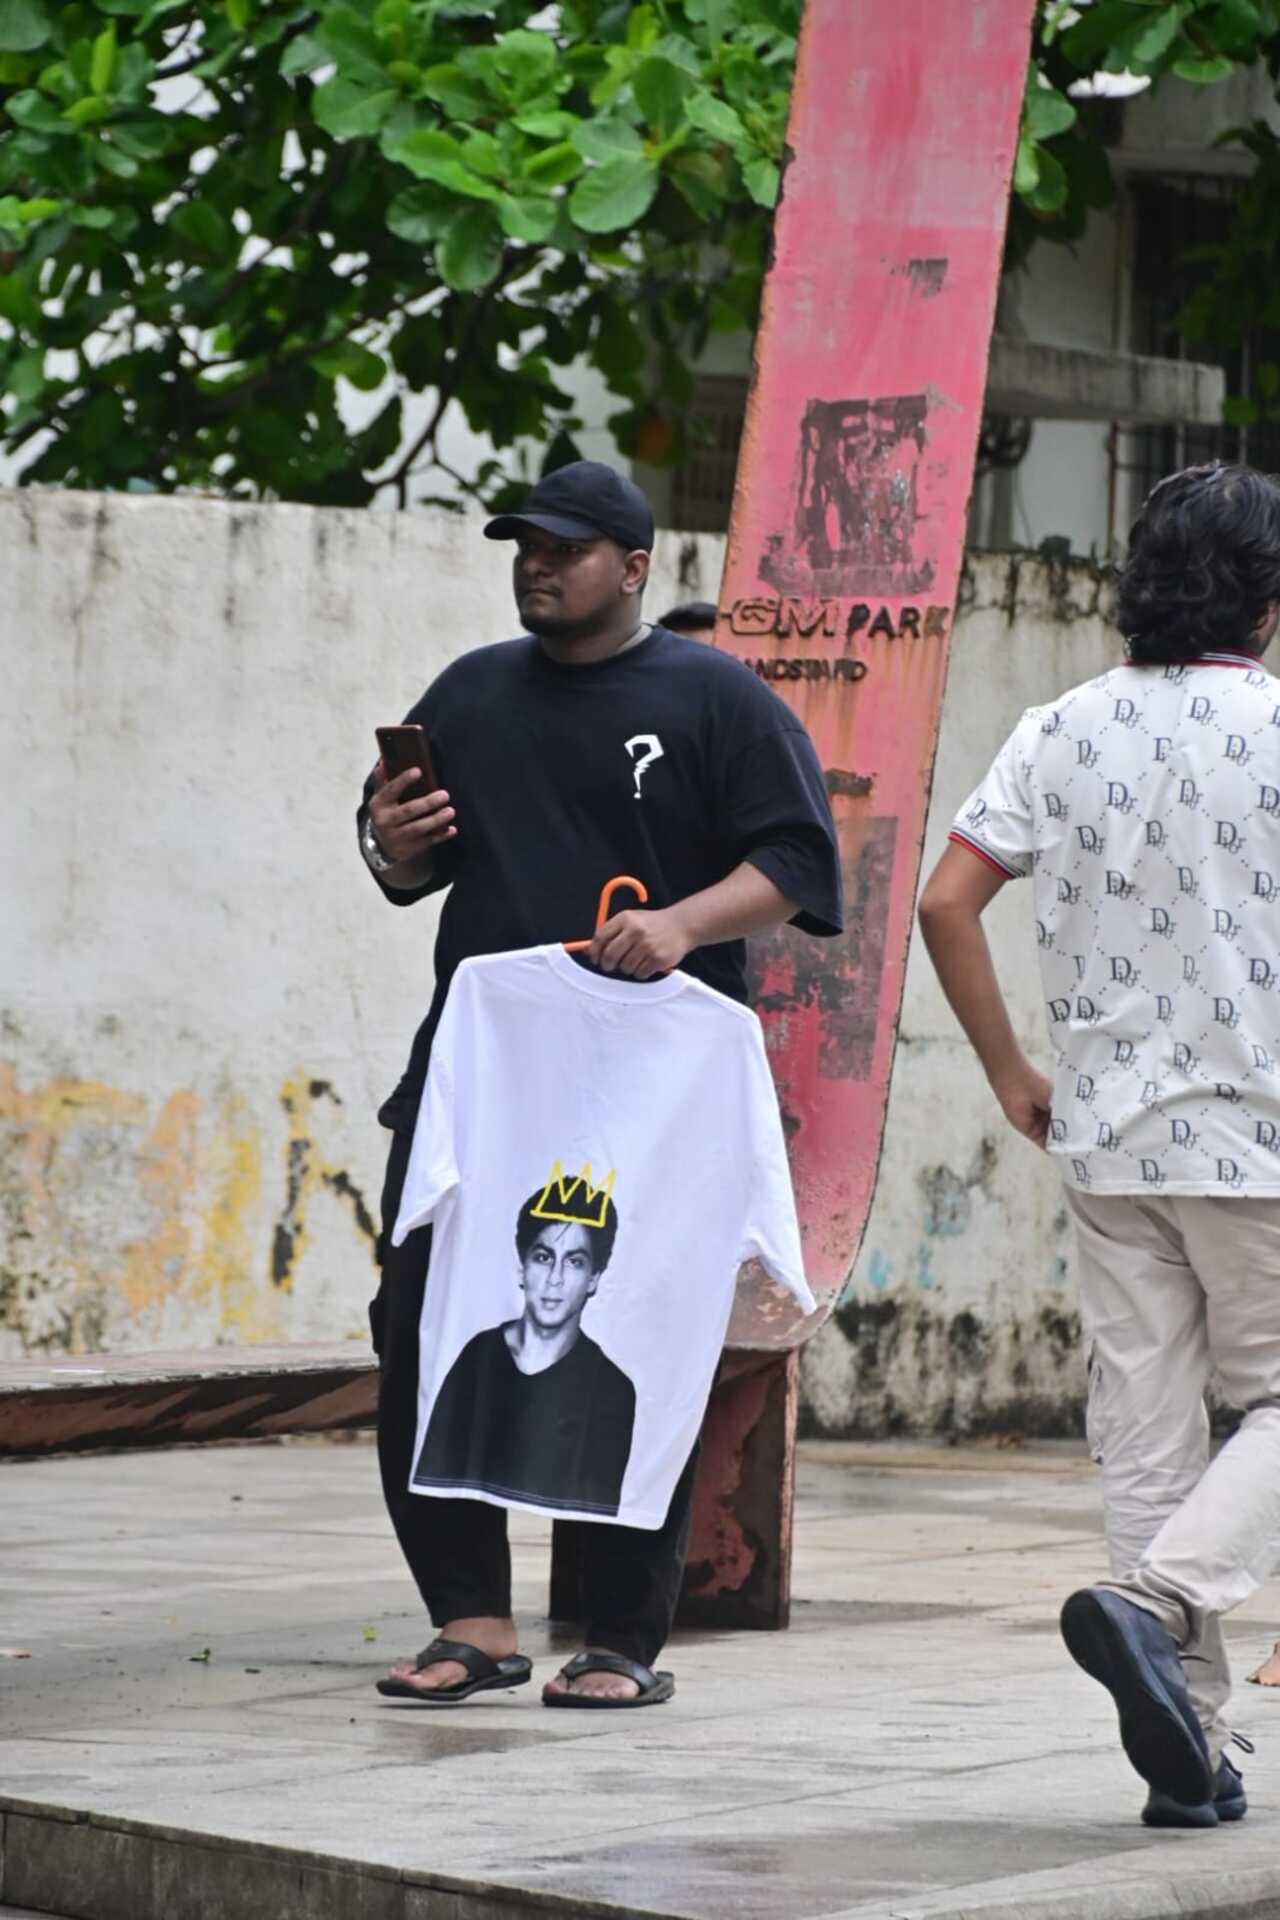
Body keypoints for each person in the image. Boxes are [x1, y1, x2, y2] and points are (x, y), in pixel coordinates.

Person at [359, 458, 842, 1706]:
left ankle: (622, 1639)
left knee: (638, 1328)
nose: (537, 564)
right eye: (524, 544)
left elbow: (795, 861)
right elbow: (406, 861)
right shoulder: (469, 693)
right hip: (486, 1076)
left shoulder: (715, 700)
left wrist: (683, 924)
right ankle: (470, 1621)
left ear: (631, 568)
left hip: (652, 1097)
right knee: (421, 1324)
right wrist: (389, 841)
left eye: (565, 548)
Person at [917, 461, 1280, 1828]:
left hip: (1108, 1143)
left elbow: (950, 902)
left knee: (1147, 1441)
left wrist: (1013, 1066)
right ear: (1268, 595)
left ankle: (1191, 1747)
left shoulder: (1059, 728)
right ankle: (1159, 1602)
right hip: (1259, 1140)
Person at [413, 1179, 635, 1515]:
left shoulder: (611, 1390)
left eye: (575, 1261)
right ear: (522, 1267)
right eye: (544, 1257)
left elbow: (601, 1515)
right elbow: (438, 1483)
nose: (555, 1278)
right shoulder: (479, 1358)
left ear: (594, 1279)